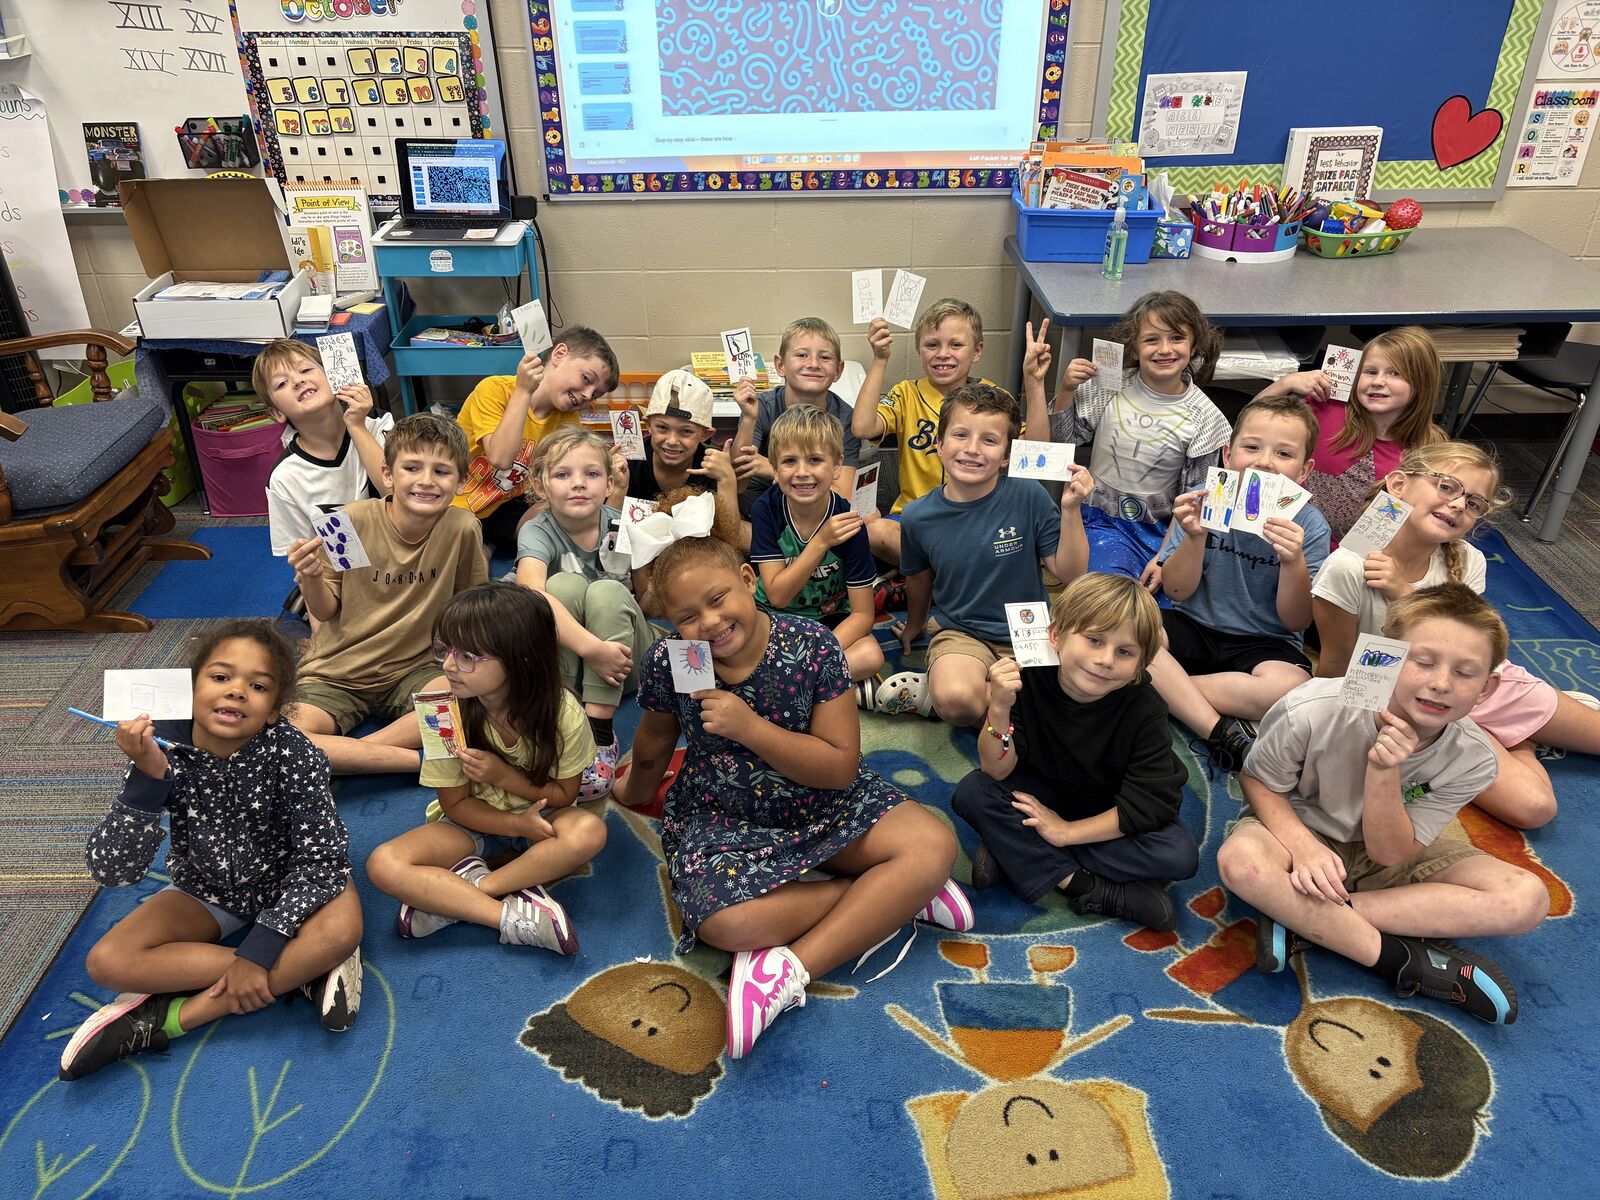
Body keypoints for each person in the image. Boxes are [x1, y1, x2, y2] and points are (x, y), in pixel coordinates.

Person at [612, 536, 970, 1059]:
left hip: (820, 802)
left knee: (933, 846)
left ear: (748, 580)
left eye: (717, 600)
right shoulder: (679, 659)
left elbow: (839, 767)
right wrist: (635, 788)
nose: (708, 623)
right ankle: (894, 894)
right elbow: (655, 739)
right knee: (723, 923)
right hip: (724, 815)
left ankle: (789, 969)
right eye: (687, 617)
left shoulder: (814, 646)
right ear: (670, 625)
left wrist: (750, 728)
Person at [1219, 584, 1549, 1026]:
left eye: (1465, 673)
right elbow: (1258, 780)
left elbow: (1389, 853)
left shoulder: (1475, 757)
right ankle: (1401, 959)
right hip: (1298, 831)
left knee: (1526, 899)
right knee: (1242, 863)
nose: (1440, 683)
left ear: (1487, 689)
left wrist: (1385, 771)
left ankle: (1305, 918)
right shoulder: (1313, 707)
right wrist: (1304, 847)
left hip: (1391, 852)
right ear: (1388, 658)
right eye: (1424, 662)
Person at [60, 621, 363, 1080]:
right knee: (107, 962)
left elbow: (323, 861)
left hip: (296, 885)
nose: (237, 691)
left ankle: (173, 1019)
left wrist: (257, 952)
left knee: (340, 933)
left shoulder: (295, 754)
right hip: (209, 891)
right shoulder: (162, 750)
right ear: (190, 688)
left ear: (275, 711)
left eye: (257, 686)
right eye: (221, 677)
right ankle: (305, 971)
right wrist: (146, 779)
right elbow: (113, 871)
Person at [1312, 441, 1600, 828]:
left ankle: (1512, 726)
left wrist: (1403, 593)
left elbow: (1469, 641)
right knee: (1535, 809)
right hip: (1411, 707)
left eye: (1474, 503)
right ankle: (1521, 741)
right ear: (1398, 484)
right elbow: (1336, 666)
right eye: (1446, 486)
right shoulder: (1347, 567)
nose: (1459, 504)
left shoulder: (1468, 560)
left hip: (1483, 686)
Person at [365, 582, 605, 953]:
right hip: (469, 825)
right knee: (384, 863)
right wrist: (514, 824)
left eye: (467, 657)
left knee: (588, 832)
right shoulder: (442, 711)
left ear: (520, 657)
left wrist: (502, 776)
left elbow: (564, 795)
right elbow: (455, 805)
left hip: (542, 821)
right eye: (445, 650)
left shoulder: (563, 713)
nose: (448, 666)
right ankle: (507, 915)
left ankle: (467, 894)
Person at [951, 573, 1197, 930]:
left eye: (1125, 652)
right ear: (1056, 636)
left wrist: (1066, 832)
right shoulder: (1030, 679)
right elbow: (996, 771)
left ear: (1138, 668)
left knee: (1179, 854)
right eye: (1094, 640)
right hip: (1039, 791)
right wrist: (999, 708)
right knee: (972, 792)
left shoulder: (1146, 708)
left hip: (1107, 807)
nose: (1106, 659)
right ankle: (1089, 887)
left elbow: (1149, 804)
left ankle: (1013, 848)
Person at [286, 414, 488, 773]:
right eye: (412, 468)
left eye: (441, 471)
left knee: (474, 698)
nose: (426, 481)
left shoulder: (462, 528)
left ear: (460, 482)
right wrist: (309, 577)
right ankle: (413, 761)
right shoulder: (343, 521)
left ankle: (354, 754)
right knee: (286, 733)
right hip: (337, 670)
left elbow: (468, 605)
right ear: (389, 475)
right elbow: (326, 609)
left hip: (416, 669)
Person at [1145, 394, 1332, 769]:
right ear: (1228, 456)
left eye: (1283, 454)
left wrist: (1292, 561)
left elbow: (1297, 621)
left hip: (1265, 642)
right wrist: (1194, 537)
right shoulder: (1206, 507)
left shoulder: (1309, 527)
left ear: (1304, 471)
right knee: (1135, 635)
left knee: (1290, 689)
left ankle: (1160, 690)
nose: (1264, 461)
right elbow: (1178, 592)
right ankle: (1218, 729)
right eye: (1251, 447)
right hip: (1194, 624)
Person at [891, 382, 1093, 726]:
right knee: (956, 701)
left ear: (1006, 457)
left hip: (1031, 630)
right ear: (939, 445)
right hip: (962, 631)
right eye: (960, 435)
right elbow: (919, 578)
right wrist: (914, 624)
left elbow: (1071, 573)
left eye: (989, 440)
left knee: (1082, 692)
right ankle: (972, 695)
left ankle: (980, 698)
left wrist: (1071, 510)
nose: (972, 449)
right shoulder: (916, 516)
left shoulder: (1028, 495)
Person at [1049, 290, 1229, 587]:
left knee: (1156, 610)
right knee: (1109, 599)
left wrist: (1164, 557)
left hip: (1162, 533)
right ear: (1134, 346)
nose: (1164, 349)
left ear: (1194, 344)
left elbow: (1194, 501)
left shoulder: (1205, 418)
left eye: (1176, 338)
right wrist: (1066, 389)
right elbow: (1066, 438)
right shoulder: (1110, 388)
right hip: (1100, 523)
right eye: (1151, 339)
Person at [515, 428, 657, 801]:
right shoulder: (536, 530)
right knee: (559, 588)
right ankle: (563, 711)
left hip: (626, 663)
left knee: (607, 591)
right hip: (580, 663)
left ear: (610, 484)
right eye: (563, 475)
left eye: (591, 474)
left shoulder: (625, 523)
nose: (578, 484)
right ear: (542, 486)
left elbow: (647, 596)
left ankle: (598, 727)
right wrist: (593, 648)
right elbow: (531, 590)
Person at [852, 299, 1046, 565]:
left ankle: (929, 574)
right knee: (873, 531)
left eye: (956, 344)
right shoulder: (906, 393)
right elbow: (862, 427)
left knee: (1013, 543)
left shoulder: (993, 397)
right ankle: (952, 572)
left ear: (977, 351)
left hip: (978, 521)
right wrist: (880, 359)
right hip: (914, 518)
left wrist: (1034, 384)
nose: (943, 353)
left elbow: (1034, 454)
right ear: (919, 350)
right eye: (932, 344)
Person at [1254, 326, 1445, 544]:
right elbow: (1251, 426)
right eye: (1371, 371)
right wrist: (1285, 383)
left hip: (1351, 558)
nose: (1378, 381)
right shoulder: (1326, 408)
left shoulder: (1427, 450)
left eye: (1395, 373)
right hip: (1280, 535)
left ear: (1422, 383)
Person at [749, 406, 884, 696]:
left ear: (837, 465)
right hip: (774, 616)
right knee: (739, 647)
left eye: (814, 460)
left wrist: (818, 652)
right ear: (774, 467)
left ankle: (793, 681)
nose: (802, 472)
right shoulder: (766, 509)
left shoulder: (850, 520)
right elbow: (778, 596)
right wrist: (822, 541)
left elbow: (862, 615)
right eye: (789, 461)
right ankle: (828, 686)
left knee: (872, 655)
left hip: (830, 618)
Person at [454, 327, 621, 552]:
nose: (587, 395)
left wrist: (599, 467)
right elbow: (501, 459)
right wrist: (523, 390)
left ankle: (501, 546)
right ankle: (485, 546)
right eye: (586, 379)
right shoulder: (494, 390)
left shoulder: (568, 419)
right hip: (460, 505)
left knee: (568, 505)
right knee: (469, 546)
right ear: (559, 354)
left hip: (510, 506)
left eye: (596, 394)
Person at [731, 317, 863, 544]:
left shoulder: (845, 418)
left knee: (862, 526)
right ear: (780, 365)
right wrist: (749, 419)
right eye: (802, 355)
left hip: (816, 517)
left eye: (825, 357)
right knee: (723, 529)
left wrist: (771, 469)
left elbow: (844, 494)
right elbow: (738, 482)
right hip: (758, 514)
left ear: (838, 370)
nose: (813, 363)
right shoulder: (759, 406)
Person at [257, 338, 392, 558]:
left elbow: (395, 491)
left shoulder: (378, 426)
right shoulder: (285, 477)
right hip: (346, 572)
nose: (298, 381)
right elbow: (302, 555)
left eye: (305, 370)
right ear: (276, 413)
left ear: (332, 374)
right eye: (282, 383)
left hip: (404, 554)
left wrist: (356, 425)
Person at [627, 369, 739, 534]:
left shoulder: (713, 467)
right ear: (648, 425)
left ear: (705, 434)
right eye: (662, 428)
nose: (672, 441)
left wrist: (727, 479)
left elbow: (731, 535)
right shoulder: (631, 462)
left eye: (686, 431)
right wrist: (617, 487)